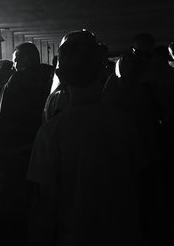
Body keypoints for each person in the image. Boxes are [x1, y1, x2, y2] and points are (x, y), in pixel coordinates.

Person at [27, 30, 146, 246]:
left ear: (61, 74)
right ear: (103, 69)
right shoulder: (124, 124)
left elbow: (46, 205)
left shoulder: (50, 132)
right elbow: (143, 187)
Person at [0, 42, 54, 246]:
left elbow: (4, 118)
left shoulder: (17, 80)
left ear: (26, 59)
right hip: (45, 146)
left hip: (18, 153)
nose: (14, 64)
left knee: (15, 210)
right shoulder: (51, 76)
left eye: (17, 59)